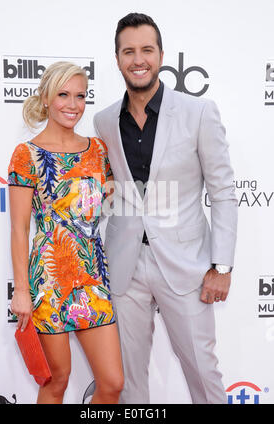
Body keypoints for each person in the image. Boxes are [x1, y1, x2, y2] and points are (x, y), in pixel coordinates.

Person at [93, 13, 238, 404]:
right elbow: (113, 191)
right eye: (128, 51)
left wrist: (221, 266)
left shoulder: (199, 113)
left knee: (203, 373)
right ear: (118, 58)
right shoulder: (104, 120)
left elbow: (223, 191)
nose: (137, 59)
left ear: (160, 55)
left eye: (146, 50)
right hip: (125, 265)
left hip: (186, 263)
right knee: (127, 380)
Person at [8, 61, 124, 404]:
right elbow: (19, 228)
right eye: (63, 95)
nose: (73, 104)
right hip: (48, 282)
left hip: (92, 279)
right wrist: (22, 293)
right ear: (46, 97)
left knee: (113, 382)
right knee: (56, 381)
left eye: (80, 96)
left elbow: (109, 197)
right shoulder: (26, 155)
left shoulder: (98, 150)